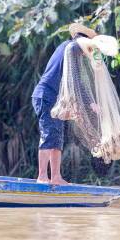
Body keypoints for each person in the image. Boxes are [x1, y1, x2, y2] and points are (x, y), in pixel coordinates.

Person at [31, 23, 97, 185]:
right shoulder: (71, 49)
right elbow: (75, 82)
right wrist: (90, 104)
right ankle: (42, 176)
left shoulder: (69, 49)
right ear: (83, 41)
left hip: (56, 99)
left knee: (57, 137)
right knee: (49, 134)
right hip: (46, 95)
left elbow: (74, 82)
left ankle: (56, 177)